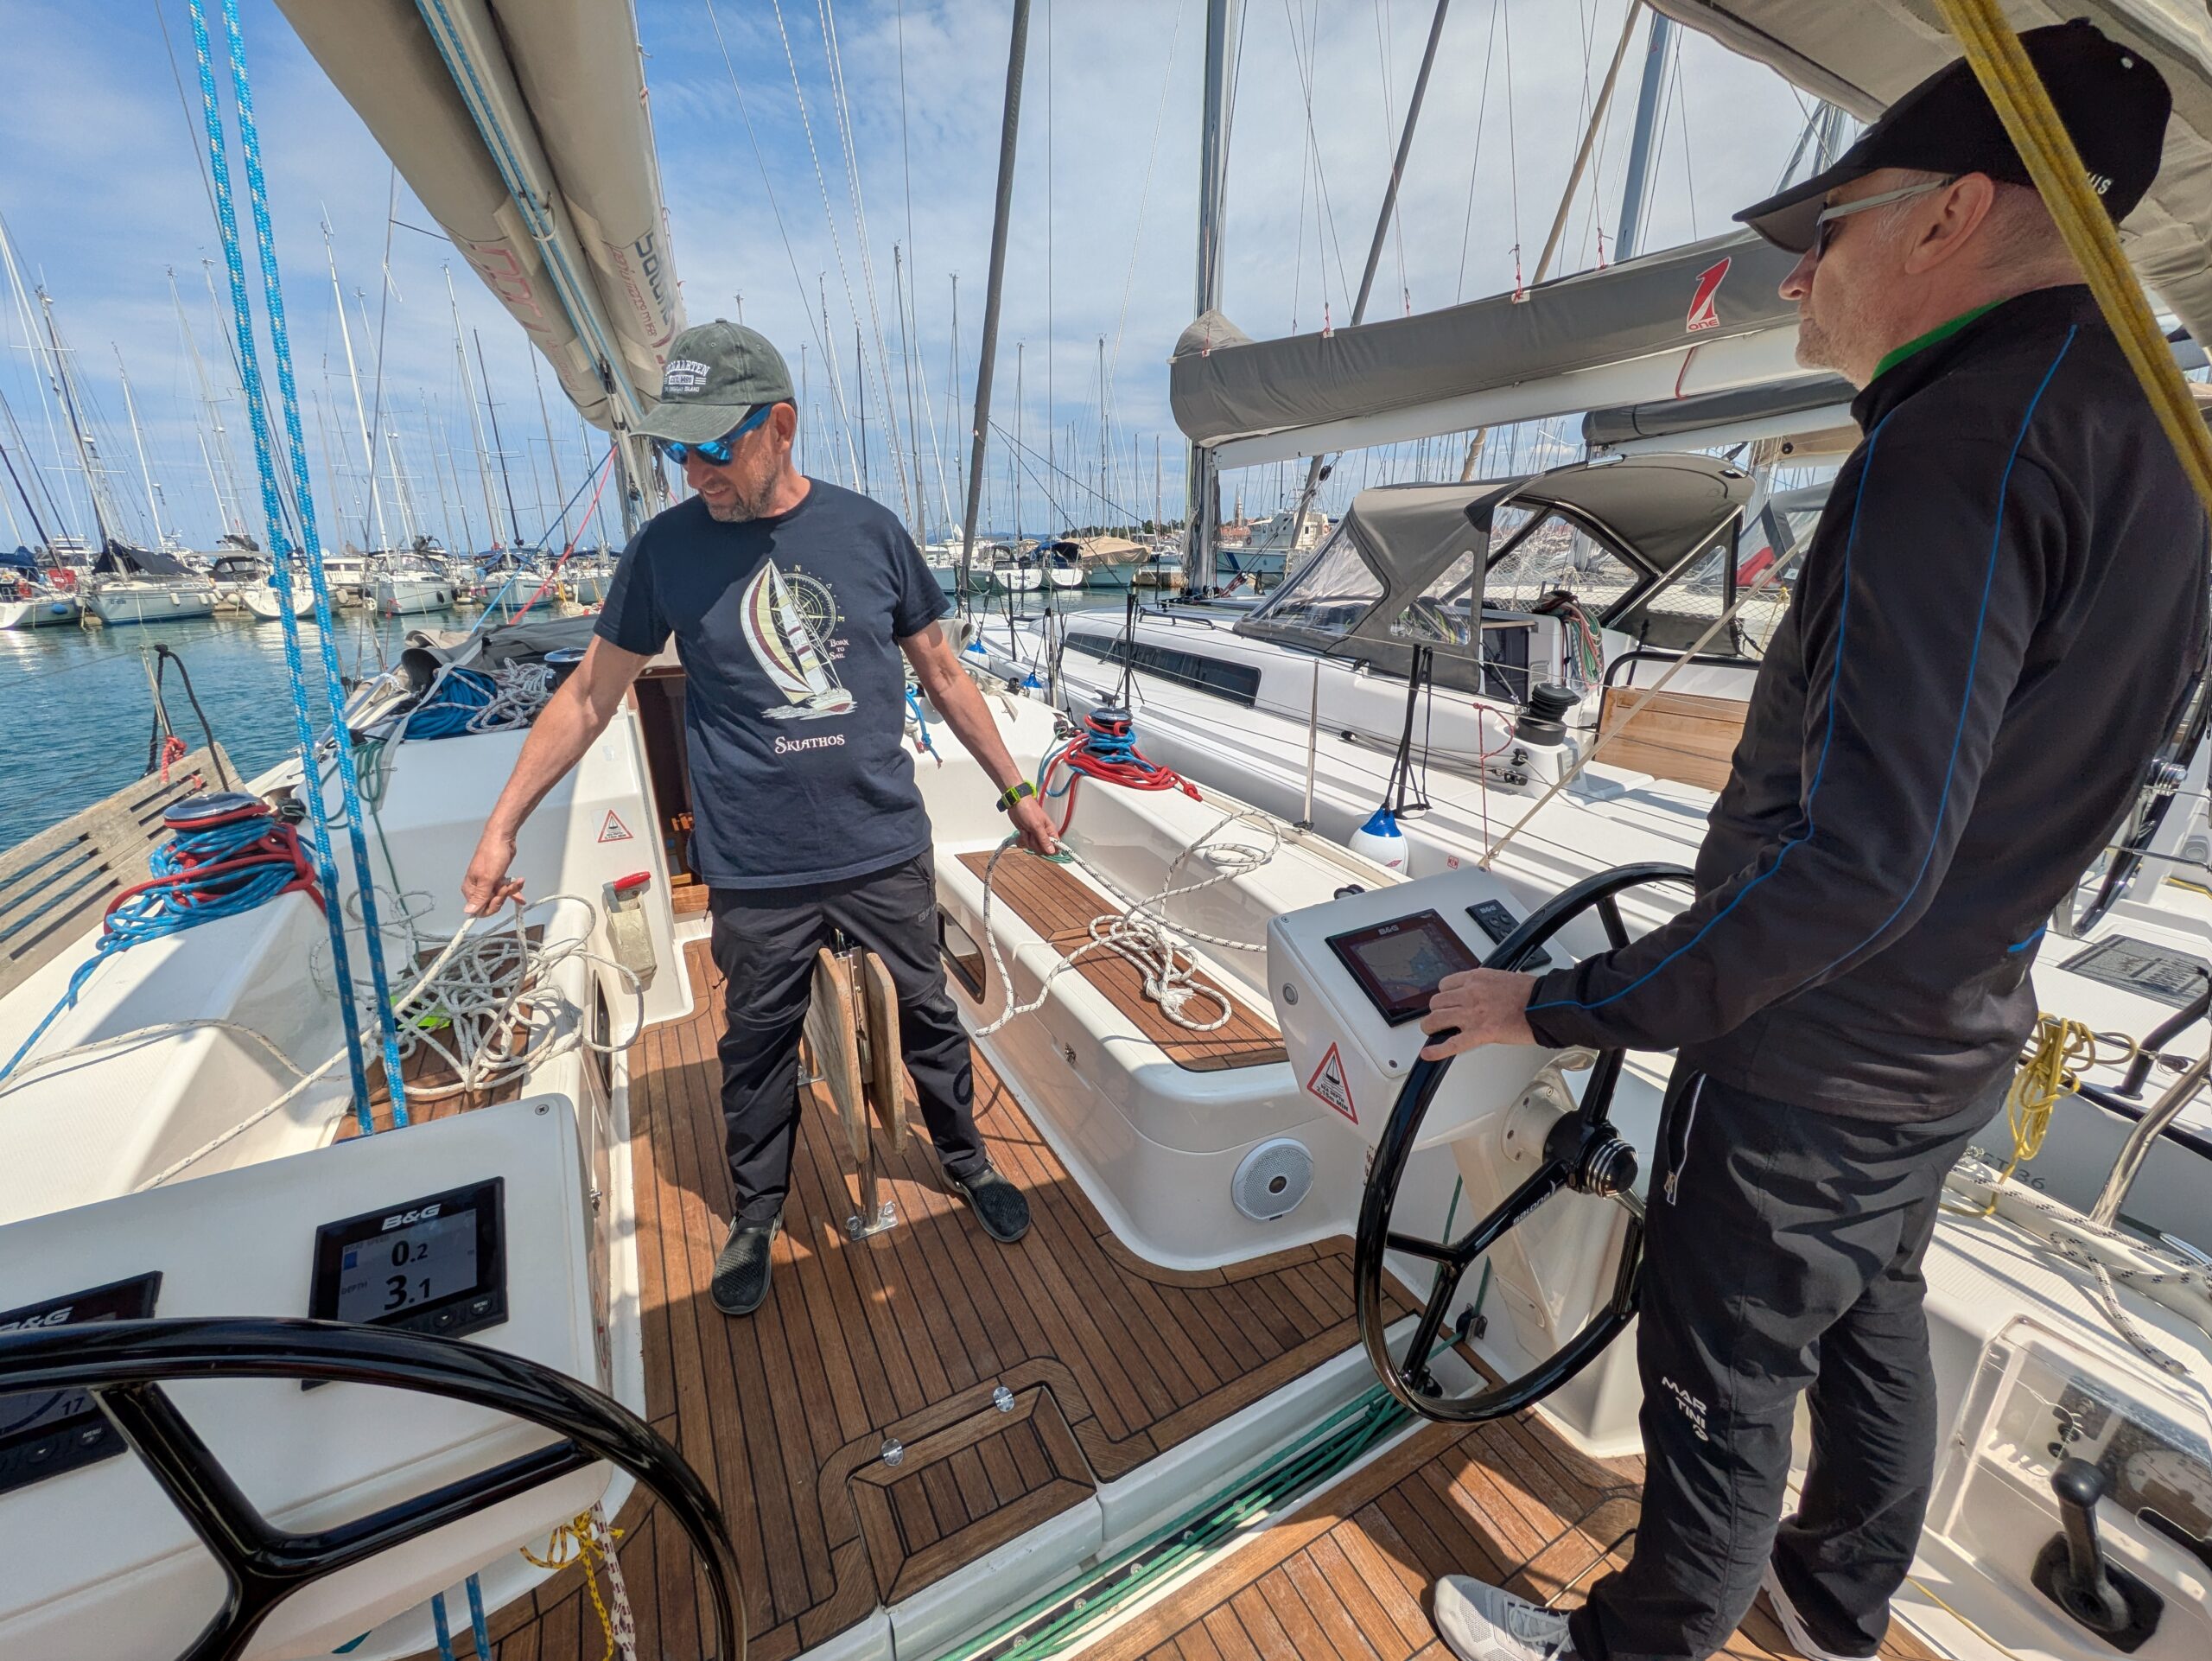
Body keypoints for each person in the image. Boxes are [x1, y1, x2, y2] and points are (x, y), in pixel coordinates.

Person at [1421, 22, 2204, 1661]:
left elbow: (1858, 858)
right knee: (1876, 1313)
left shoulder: (1958, 441)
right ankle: (1837, 1597)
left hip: (1812, 1059)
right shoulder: (2150, 439)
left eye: (1818, 233)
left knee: (1719, 1380)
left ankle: (1631, 1646)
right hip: (1950, 1041)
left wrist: (1561, 1008)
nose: (1795, 282)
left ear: (1947, 215)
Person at [461, 320, 1061, 1318]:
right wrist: (500, 825)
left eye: (711, 446)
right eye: (674, 450)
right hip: (755, 860)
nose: (691, 471)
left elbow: (945, 674)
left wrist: (1016, 789)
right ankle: (757, 1210)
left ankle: (964, 1158)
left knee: (928, 1014)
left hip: (879, 843)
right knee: (757, 1043)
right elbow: (587, 695)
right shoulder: (664, 551)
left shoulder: (870, 533)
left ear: (778, 427)